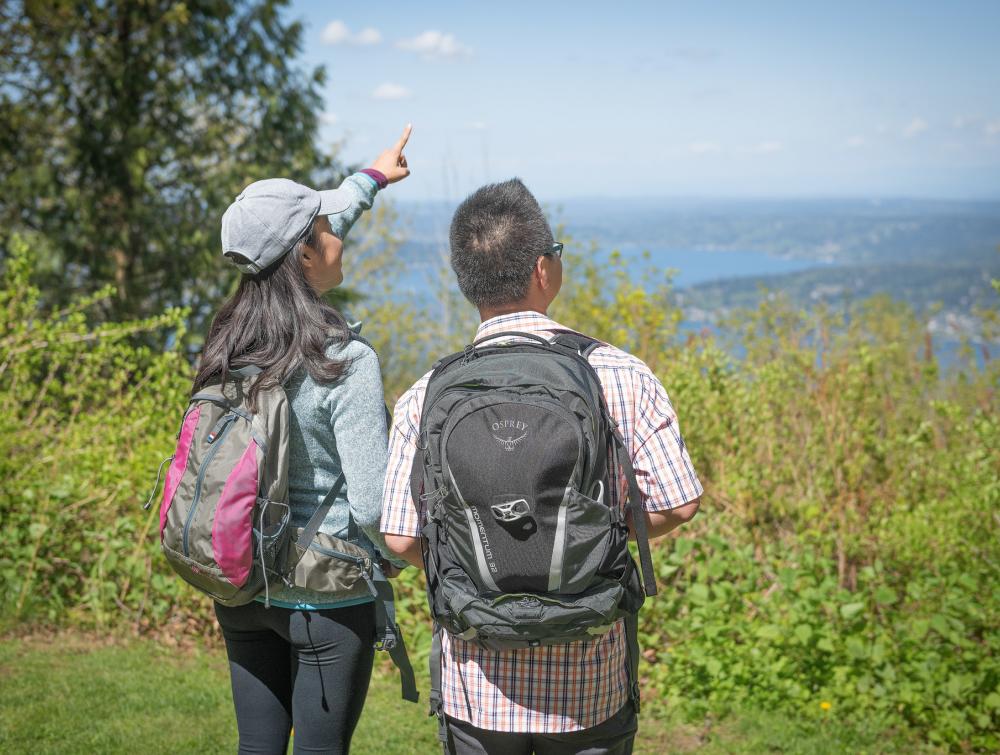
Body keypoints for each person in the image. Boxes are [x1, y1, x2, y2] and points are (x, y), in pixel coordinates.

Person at [381, 178, 703, 754]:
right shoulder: (620, 375)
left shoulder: (425, 394)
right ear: (542, 269)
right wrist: (591, 532)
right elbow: (677, 502)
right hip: (589, 682)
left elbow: (402, 539)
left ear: (464, 281)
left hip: (473, 685)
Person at [199, 125, 412, 755]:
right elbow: (372, 506)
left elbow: (319, 215)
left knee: (256, 747)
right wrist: (398, 560)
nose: (338, 234)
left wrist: (370, 179)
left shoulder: (226, 345)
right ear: (304, 255)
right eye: (326, 230)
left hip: (241, 579)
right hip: (327, 593)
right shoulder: (342, 360)